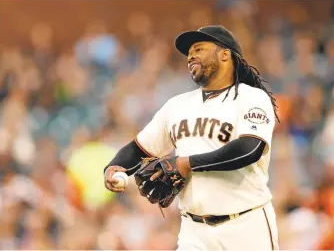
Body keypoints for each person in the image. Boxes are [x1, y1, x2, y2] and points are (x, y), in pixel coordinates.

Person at [104, 25, 280, 250]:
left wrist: (186, 163)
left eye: (198, 49)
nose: (190, 56)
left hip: (246, 226)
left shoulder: (251, 98)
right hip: (194, 231)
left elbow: (249, 148)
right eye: (188, 53)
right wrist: (114, 167)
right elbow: (140, 148)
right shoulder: (178, 105)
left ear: (225, 54)